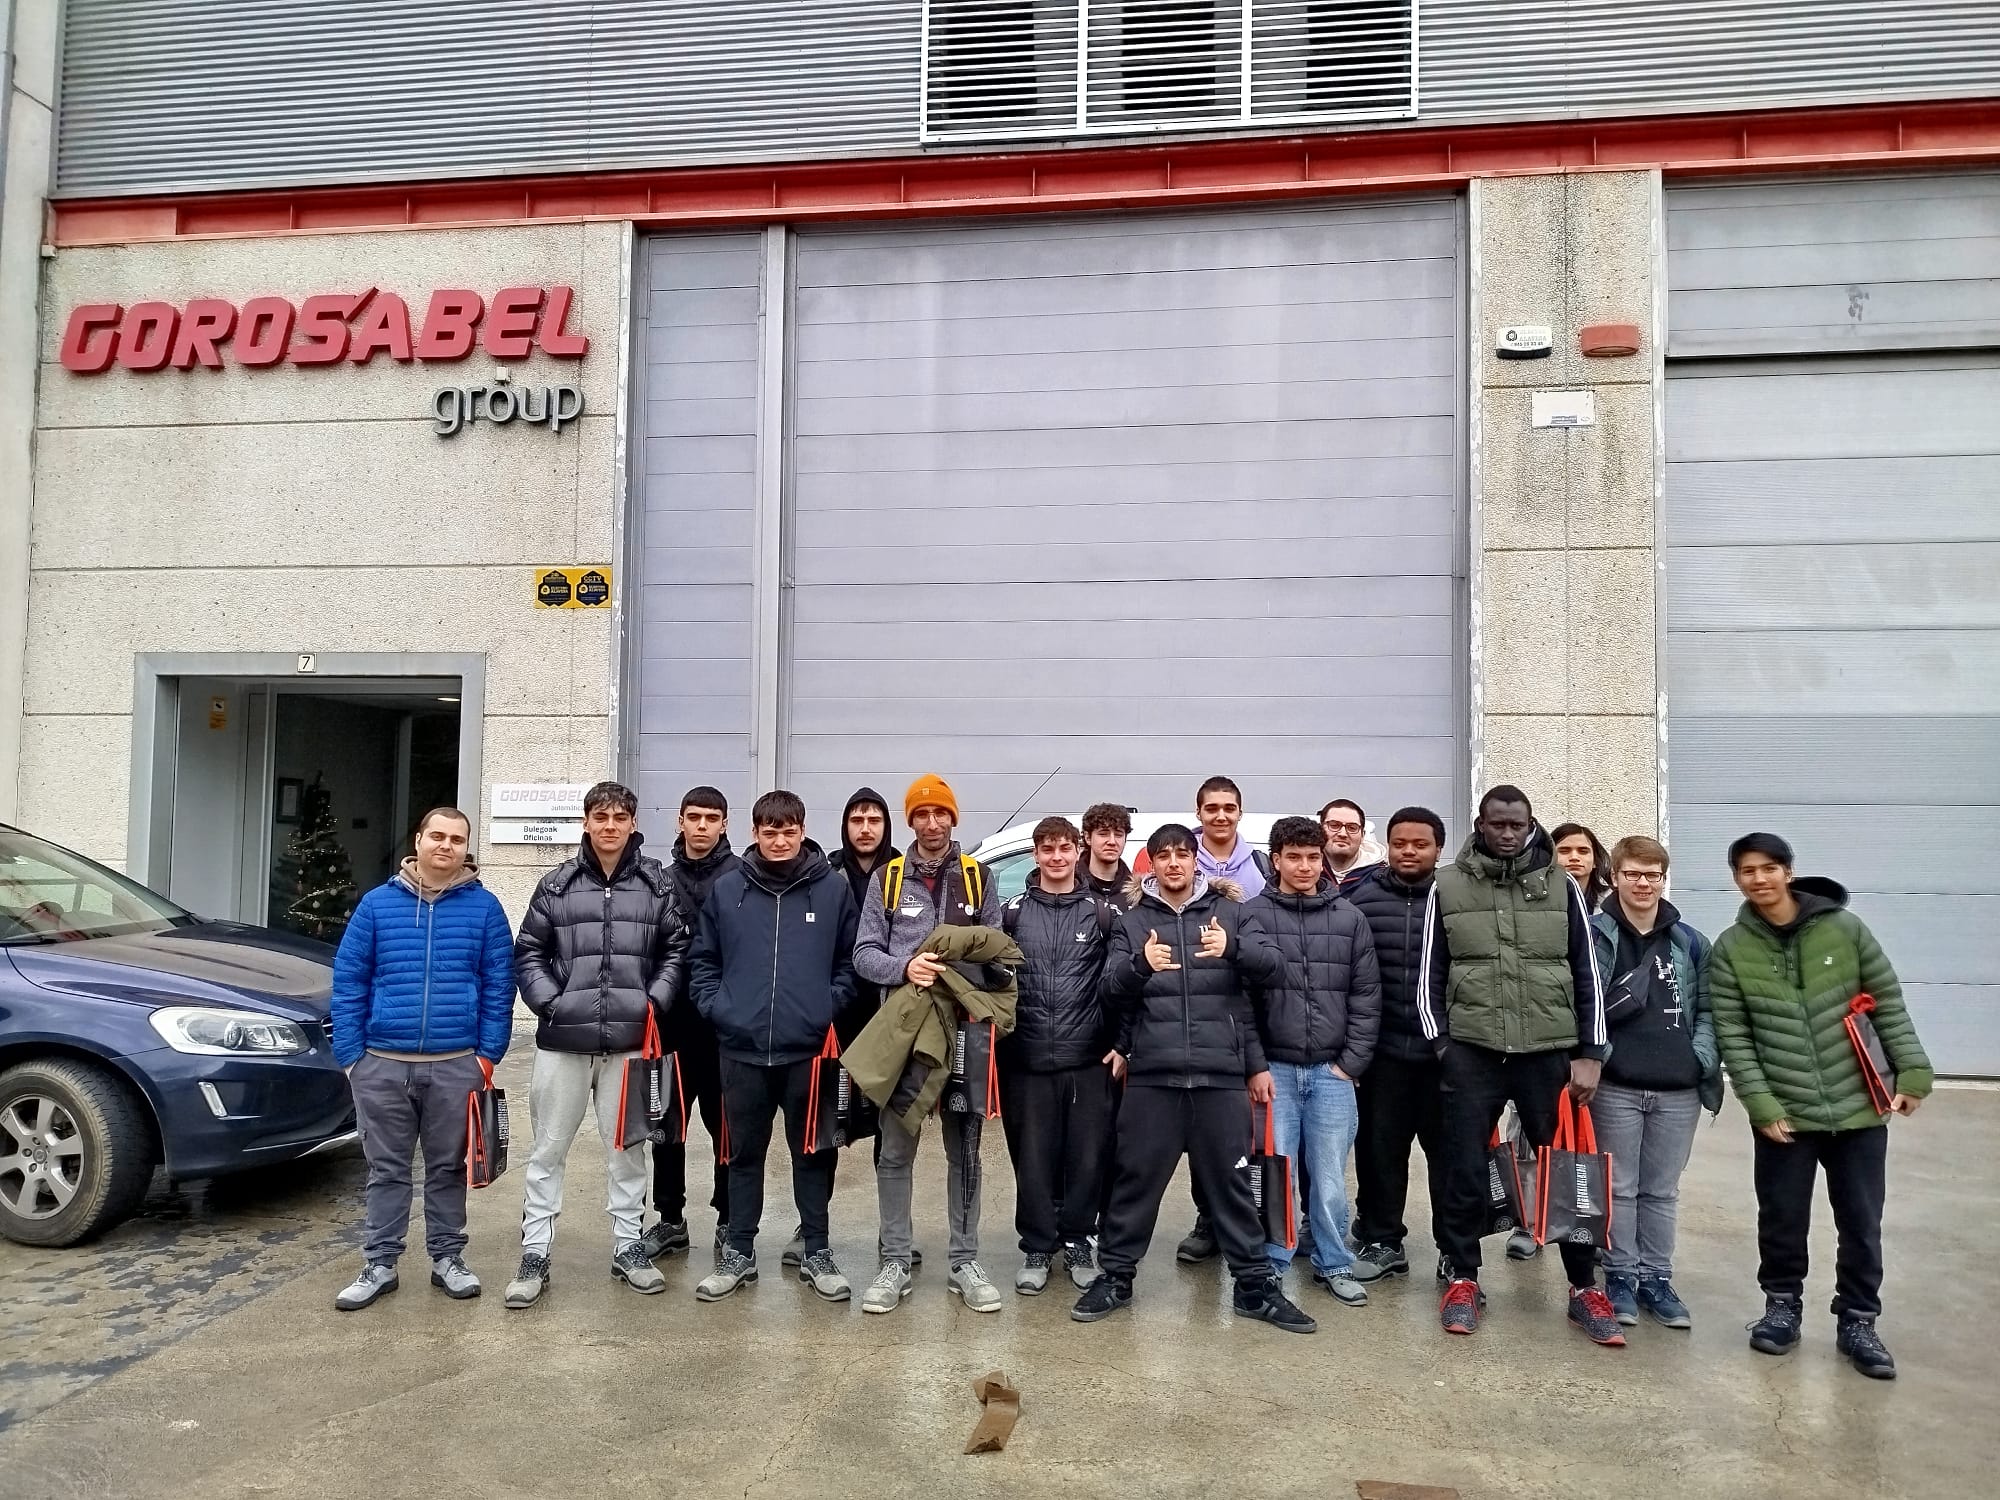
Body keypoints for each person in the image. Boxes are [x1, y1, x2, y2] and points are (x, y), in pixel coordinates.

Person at [1072, 824, 1314, 1333]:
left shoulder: (1231, 913)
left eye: (1183, 854)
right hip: (1153, 1078)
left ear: (1195, 860)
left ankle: (1253, 1287)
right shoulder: (1133, 922)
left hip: (1219, 1077)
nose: (1174, 863)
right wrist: (1140, 965)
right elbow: (1109, 991)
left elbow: (1272, 974)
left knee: (1233, 1186)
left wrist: (1233, 949)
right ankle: (1116, 1277)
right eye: (1163, 856)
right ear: (1152, 864)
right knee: (1133, 1184)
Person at [1709, 832, 1933, 1380]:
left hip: (1858, 1108)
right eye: (1746, 870)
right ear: (1736, 878)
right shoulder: (1731, 947)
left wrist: (1913, 1071)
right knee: (1782, 1218)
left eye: (1769, 868)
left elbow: (1887, 1003)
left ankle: (1858, 1320)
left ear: (1788, 871)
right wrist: (1760, 1104)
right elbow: (1733, 1033)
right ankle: (1781, 1307)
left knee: (1861, 1221)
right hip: (1786, 1114)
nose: (1758, 879)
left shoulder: (1845, 929)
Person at [1419, 786, 1619, 1345]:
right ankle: (1463, 1278)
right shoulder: (1447, 885)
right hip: (1473, 1052)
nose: (1508, 833)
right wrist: (1443, 1045)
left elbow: (1585, 971)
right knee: (1462, 1168)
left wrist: (1590, 1052)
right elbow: (1430, 971)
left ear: (1531, 825)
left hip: (1547, 1054)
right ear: (1480, 825)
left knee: (1567, 1172)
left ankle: (1583, 1287)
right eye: (1498, 824)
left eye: (1517, 824)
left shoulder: (1562, 885)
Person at [504, 781, 691, 1308]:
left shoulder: (657, 884)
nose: (610, 826)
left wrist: (651, 1003)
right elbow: (528, 951)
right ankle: (535, 1252)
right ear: (586, 823)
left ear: (633, 824)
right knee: (547, 1150)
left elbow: (676, 950)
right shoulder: (556, 885)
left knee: (627, 1150)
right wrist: (551, 1004)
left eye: (619, 817)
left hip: (630, 1045)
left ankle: (628, 1246)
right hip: (562, 1043)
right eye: (601, 817)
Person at [330, 807, 515, 1311]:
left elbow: (500, 985)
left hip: (457, 1063)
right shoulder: (377, 905)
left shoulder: (485, 909)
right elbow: (349, 981)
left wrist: (486, 1057)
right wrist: (352, 1057)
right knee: (386, 1169)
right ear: (419, 840)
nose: (446, 845)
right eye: (437, 836)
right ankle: (380, 1263)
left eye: (456, 839)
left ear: (466, 848)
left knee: (447, 1168)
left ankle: (448, 1258)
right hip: (381, 1063)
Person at [688, 790, 860, 1304]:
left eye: (788, 831)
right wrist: (719, 1008)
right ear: (754, 833)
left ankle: (817, 1251)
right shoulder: (728, 889)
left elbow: (850, 962)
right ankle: (739, 1252)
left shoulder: (832, 890)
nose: (779, 840)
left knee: (813, 1153)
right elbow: (703, 960)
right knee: (743, 1155)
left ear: (802, 831)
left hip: (807, 1050)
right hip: (740, 1049)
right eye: (769, 831)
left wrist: (824, 1007)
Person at [851, 774, 1005, 1314]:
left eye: (941, 813)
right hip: (906, 1035)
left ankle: (965, 1261)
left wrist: (968, 968)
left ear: (953, 818)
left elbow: (999, 951)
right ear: (911, 820)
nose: (932, 822)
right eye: (922, 813)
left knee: (965, 1151)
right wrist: (905, 968)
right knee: (896, 1149)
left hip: (964, 1032)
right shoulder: (889, 879)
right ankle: (895, 1260)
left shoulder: (978, 877)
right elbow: (864, 954)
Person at [1243, 817, 1381, 1306]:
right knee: (1276, 1174)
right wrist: (1255, 1065)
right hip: (1274, 1072)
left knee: (1328, 1180)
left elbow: (1366, 996)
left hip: (1331, 1072)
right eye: (1294, 857)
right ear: (1276, 860)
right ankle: (1274, 1262)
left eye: (1312, 857)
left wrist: (1351, 1064)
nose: (1304, 866)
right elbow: (1241, 1001)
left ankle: (1334, 1261)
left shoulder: (1349, 918)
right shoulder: (1251, 917)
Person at [1587, 834, 1721, 1331]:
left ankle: (1657, 1279)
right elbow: (1582, 1002)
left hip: (1678, 1089)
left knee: (1662, 1191)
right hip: (1616, 1086)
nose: (1643, 883)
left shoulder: (1690, 941)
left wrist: (1699, 1058)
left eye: (1653, 875)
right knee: (1619, 1187)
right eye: (1633, 874)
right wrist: (1600, 1057)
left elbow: (1709, 1008)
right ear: (1615, 877)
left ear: (1664, 879)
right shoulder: (1593, 935)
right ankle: (1620, 1276)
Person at [998, 816, 1118, 1295]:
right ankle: (1036, 1245)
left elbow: (1118, 986)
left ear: (1077, 852)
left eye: (1064, 848)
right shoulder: (1011, 913)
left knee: (1086, 1160)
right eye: (1047, 849)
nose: (1056, 857)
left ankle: (1078, 1241)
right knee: (1032, 1161)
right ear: (1035, 855)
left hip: (1087, 1059)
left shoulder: (1101, 914)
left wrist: (1122, 1044)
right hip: (1025, 1059)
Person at [1346, 806, 1449, 1284]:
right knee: (1379, 1154)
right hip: (1383, 1057)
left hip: (1444, 1057)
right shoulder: (1361, 899)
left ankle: (1455, 1252)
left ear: (1438, 849)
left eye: (1420, 844)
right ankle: (1383, 1240)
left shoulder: (1455, 899)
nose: (1409, 852)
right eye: (1399, 843)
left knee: (1451, 1160)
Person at [642, 786, 738, 1263]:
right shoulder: (659, 880)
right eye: (694, 817)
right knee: (667, 1130)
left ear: (724, 824)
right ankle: (670, 1220)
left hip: (724, 1030)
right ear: (679, 821)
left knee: (728, 1131)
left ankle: (728, 1221)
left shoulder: (742, 878)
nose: (702, 826)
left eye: (711, 818)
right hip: (673, 1026)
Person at [1178, 775, 1271, 1263]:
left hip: (1253, 1006)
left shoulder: (1260, 865)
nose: (1220, 815)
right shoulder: (1179, 858)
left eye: (1228, 807)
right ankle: (1208, 1218)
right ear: (1198, 812)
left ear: (1240, 811)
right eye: (1211, 807)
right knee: (1204, 1128)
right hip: (1198, 1009)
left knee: (1248, 1129)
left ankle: (1256, 1216)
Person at [1320, 799, 1384, 893]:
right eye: (1334, 825)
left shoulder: (1382, 879)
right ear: (1320, 830)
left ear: (1362, 835)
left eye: (1352, 828)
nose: (1343, 834)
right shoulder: (1303, 872)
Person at [1080, 802, 1135, 911]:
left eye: (1118, 834)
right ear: (1088, 838)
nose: (1112, 842)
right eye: (1103, 834)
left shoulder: (1137, 894)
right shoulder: (1071, 887)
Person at [1551, 822, 1612, 913]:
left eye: (1583, 851)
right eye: (1564, 851)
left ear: (1595, 860)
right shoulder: (1536, 898)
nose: (1574, 857)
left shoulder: (1612, 903)